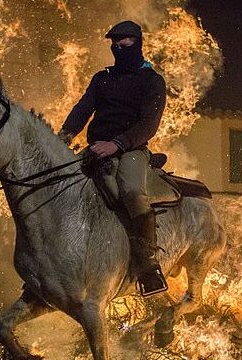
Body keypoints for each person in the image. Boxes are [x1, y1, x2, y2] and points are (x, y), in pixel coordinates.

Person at [57, 20, 168, 296]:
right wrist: (63, 138)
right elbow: (83, 109)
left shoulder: (151, 81)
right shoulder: (102, 78)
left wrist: (117, 144)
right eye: (114, 43)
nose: (118, 47)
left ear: (138, 42)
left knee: (131, 193)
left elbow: (148, 124)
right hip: (95, 147)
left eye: (125, 42)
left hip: (131, 150)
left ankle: (148, 266)